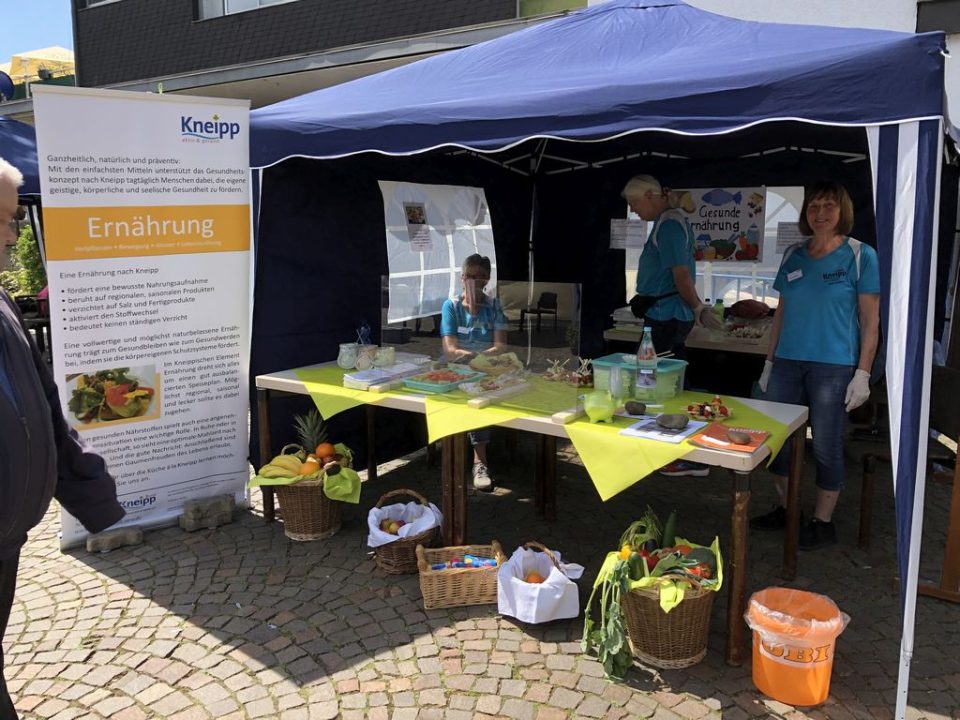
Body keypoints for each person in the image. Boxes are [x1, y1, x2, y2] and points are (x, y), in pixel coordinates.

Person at [0, 157, 126, 718]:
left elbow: (46, 409)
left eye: (13, 219)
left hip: (8, 538)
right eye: (4, 220)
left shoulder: (3, 303)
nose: (12, 235)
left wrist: (92, 494)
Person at [751, 180, 880, 550]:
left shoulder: (860, 255)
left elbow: (871, 320)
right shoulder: (794, 253)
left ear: (843, 211)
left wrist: (863, 372)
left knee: (825, 444)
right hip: (787, 363)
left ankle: (822, 521)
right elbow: (781, 313)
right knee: (776, 441)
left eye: (829, 206)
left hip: (834, 366)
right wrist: (769, 361)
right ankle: (786, 507)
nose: (820, 213)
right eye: (813, 207)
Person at [622, 174, 722, 477]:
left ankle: (686, 454)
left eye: (634, 203)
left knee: (660, 384)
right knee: (665, 382)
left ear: (650, 196)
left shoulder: (669, 226)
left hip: (667, 316)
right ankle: (674, 448)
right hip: (662, 313)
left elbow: (681, 275)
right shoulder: (666, 223)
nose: (633, 211)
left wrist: (698, 307)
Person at [440, 254, 509, 491]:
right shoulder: (451, 306)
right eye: (469, 276)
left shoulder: (494, 306)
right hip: (457, 367)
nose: (473, 281)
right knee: (470, 392)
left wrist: (480, 360)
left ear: (487, 280)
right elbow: (450, 350)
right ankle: (471, 457)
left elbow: (501, 346)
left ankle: (480, 461)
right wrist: (471, 359)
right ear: (462, 278)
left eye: (479, 277)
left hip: (486, 367)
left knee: (483, 393)